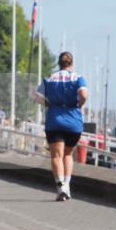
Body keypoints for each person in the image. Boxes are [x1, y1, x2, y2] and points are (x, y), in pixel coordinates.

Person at [34, 51, 89, 201]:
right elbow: (83, 95)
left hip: (54, 120)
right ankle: (67, 186)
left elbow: (36, 96)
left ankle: (60, 187)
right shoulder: (78, 78)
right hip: (73, 121)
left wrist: (48, 104)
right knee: (68, 154)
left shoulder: (49, 78)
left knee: (56, 155)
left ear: (59, 63)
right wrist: (78, 105)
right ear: (72, 63)